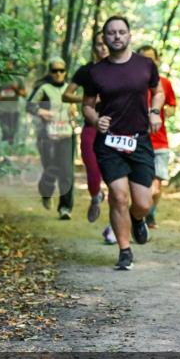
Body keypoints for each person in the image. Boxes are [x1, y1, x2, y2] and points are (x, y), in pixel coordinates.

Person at [81, 16, 164, 271]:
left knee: (143, 203)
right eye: (111, 33)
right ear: (104, 38)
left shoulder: (145, 65)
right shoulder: (95, 72)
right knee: (118, 196)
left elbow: (158, 92)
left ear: (129, 35)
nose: (117, 36)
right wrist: (96, 120)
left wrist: (155, 112)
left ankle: (137, 219)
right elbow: (86, 105)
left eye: (121, 32)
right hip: (109, 142)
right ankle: (124, 250)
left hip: (139, 140)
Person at [64, 33, 114, 239]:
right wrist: (87, 100)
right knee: (90, 163)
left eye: (105, 44)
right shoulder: (86, 70)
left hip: (115, 126)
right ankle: (96, 196)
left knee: (114, 172)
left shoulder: (119, 68)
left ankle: (115, 221)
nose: (103, 48)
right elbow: (66, 94)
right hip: (91, 124)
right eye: (99, 44)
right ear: (94, 47)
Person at [27, 60, 77, 220]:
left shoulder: (70, 88)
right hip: (47, 134)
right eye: (55, 71)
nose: (58, 74)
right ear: (50, 72)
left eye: (61, 70)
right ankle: (46, 192)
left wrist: (74, 112)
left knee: (66, 170)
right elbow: (29, 106)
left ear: (65, 72)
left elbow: (75, 107)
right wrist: (42, 112)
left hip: (66, 133)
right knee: (51, 168)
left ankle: (65, 208)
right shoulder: (44, 88)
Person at [138, 45, 177, 229]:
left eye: (151, 58)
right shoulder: (133, 83)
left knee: (156, 186)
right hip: (137, 141)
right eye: (143, 59)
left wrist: (167, 112)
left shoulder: (164, 83)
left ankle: (149, 214)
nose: (148, 62)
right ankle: (141, 215)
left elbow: (172, 105)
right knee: (142, 184)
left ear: (157, 60)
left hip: (160, 141)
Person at [0, 66, 26, 145]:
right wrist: (7, 92)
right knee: (6, 132)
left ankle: (11, 149)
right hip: (2, 110)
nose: (8, 64)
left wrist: (15, 89)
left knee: (13, 133)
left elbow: (24, 94)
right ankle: (3, 149)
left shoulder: (18, 78)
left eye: (10, 61)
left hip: (14, 110)